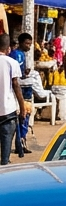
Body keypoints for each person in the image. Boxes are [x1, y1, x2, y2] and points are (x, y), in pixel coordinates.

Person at [0, 34, 29, 166]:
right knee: (6, 141)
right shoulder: (12, 63)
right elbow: (16, 85)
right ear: (8, 49)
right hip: (8, 109)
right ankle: (4, 164)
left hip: (7, 109)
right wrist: (22, 107)